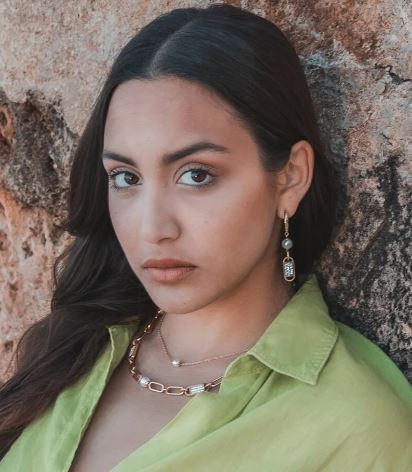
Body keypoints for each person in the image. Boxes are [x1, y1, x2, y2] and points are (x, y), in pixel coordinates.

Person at [0, 3, 411, 471]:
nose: (153, 229)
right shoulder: (73, 353)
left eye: (196, 175)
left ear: (290, 177)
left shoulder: (356, 425)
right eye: (126, 178)